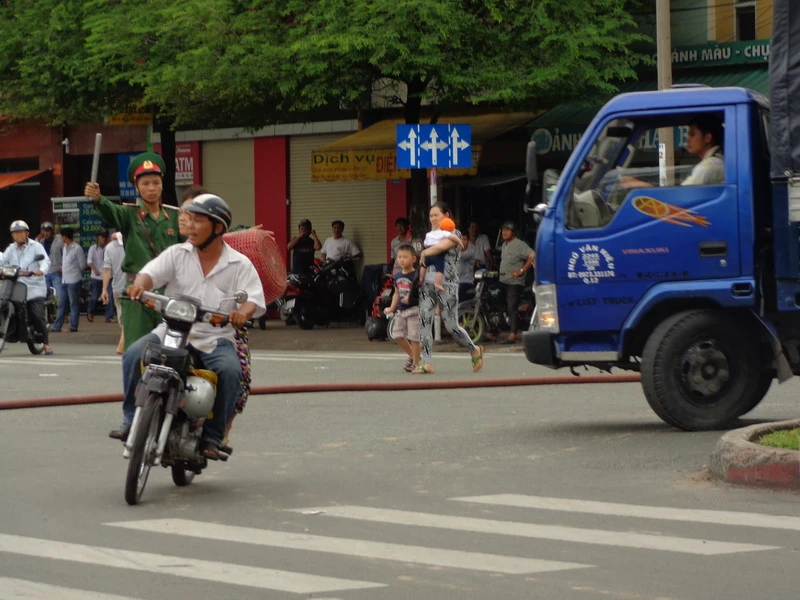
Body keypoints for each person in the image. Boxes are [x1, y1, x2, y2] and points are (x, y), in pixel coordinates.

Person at [114, 194, 266, 458]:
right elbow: (150, 273)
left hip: (215, 337)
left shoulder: (240, 263)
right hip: (172, 330)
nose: (190, 226)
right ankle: (130, 420)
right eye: (189, 219)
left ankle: (213, 436)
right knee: (133, 354)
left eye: (198, 221)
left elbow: (252, 299)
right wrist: (140, 285)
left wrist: (242, 313)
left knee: (231, 371)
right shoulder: (177, 253)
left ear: (218, 227)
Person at [84, 152, 182, 350]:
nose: (151, 188)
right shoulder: (129, 214)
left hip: (170, 292)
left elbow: (199, 237)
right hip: (138, 292)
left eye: (155, 182)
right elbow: (111, 211)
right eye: (145, 184)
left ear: (162, 184)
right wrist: (98, 199)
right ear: (136, 186)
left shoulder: (175, 216)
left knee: (173, 352)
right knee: (138, 350)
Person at [416, 202, 484, 375]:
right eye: (431, 216)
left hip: (448, 285)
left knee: (451, 325)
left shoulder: (454, 233)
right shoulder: (430, 235)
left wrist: (424, 252)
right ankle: (427, 362)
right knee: (424, 321)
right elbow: (425, 260)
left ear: (446, 215)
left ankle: (473, 349)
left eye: (436, 215)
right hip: (428, 285)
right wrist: (421, 272)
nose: (433, 219)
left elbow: (440, 248)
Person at [621, 114, 725, 189]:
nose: (687, 139)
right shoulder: (717, 162)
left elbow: (678, 201)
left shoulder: (707, 167)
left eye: (692, 134)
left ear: (707, 138)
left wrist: (644, 186)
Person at [0, 221, 53, 354]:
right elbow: (2, 260)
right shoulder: (11, 248)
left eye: (21, 232)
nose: (18, 235)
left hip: (33, 286)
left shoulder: (36, 246)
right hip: (15, 286)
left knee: (37, 314)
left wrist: (41, 270)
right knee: (3, 304)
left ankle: (45, 344)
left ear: (27, 233)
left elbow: (45, 261)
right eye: (15, 233)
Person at [384, 244, 421, 372]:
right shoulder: (398, 275)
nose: (402, 259)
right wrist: (391, 308)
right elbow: (397, 293)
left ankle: (416, 363)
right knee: (397, 334)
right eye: (399, 257)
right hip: (401, 310)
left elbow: (420, 293)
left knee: (414, 337)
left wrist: (411, 299)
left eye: (405, 257)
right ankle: (413, 356)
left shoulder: (416, 275)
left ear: (413, 259)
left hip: (414, 310)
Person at [497, 221, 535, 344]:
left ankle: (513, 334)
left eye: (507, 230)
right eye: (503, 230)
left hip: (515, 282)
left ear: (513, 233)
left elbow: (533, 255)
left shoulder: (519, 244)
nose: (504, 232)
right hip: (503, 280)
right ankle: (495, 330)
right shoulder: (504, 245)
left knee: (511, 306)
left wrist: (522, 270)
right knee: (497, 302)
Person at [51, 228, 86, 333]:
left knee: (73, 304)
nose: (61, 238)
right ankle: (57, 326)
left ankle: (73, 326)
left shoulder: (77, 248)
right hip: (65, 280)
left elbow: (82, 265)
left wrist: (73, 269)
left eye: (62, 236)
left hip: (74, 280)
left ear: (65, 237)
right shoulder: (65, 247)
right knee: (61, 303)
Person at [101, 232, 126, 354]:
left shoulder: (109, 247)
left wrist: (104, 289)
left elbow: (107, 270)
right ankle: (122, 345)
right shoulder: (132, 242)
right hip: (131, 288)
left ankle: (123, 345)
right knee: (127, 320)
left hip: (118, 289)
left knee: (123, 320)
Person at [420, 217, 460, 292]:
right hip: (437, 254)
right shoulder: (445, 233)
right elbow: (454, 237)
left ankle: (421, 278)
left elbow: (425, 244)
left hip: (428, 252)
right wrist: (460, 243)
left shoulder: (430, 233)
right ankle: (437, 283)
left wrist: (426, 250)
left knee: (423, 265)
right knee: (440, 269)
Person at [86, 229, 115, 323]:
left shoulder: (109, 248)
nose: (103, 239)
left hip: (108, 276)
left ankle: (109, 316)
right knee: (94, 297)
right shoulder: (93, 248)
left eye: (105, 237)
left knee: (110, 295)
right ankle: (90, 312)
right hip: (96, 277)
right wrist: (95, 269)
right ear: (98, 237)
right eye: (102, 237)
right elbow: (89, 261)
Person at [37, 222, 63, 293]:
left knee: (58, 296)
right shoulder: (40, 242)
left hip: (56, 273)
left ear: (52, 231)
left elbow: (65, 255)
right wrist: (37, 239)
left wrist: (62, 268)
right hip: (45, 273)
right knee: (47, 296)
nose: (46, 233)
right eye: (44, 231)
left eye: (48, 231)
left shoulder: (59, 241)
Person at [458, 230, 478, 299]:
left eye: (465, 239)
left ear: (468, 241)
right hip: (456, 281)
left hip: (466, 281)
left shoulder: (471, 250)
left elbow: (461, 256)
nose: (462, 242)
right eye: (460, 239)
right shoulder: (457, 249)